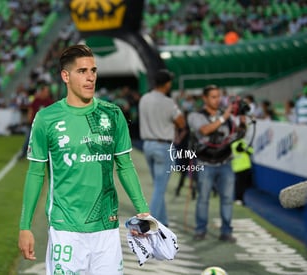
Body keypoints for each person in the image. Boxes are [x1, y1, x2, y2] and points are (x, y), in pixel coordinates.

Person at [18, 44, 150, 275]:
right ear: (65, 76)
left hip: (107, 229)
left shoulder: (113, 114)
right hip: (65, 230)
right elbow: (36, 173)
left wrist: (143, 211)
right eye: (82, 71)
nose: (90, 78)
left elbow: (125, 165)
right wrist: (25, 227)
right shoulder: (46, 119)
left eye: (93, 71)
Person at [187, 85, 246, 242]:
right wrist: (224, 118)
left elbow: (236, 135)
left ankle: (226, 232)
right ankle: (201, 230)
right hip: (205, 163)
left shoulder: (226, 115)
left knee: (227, 199)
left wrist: (242, 123)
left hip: (225, 162)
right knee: (203, 198)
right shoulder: (196, 115)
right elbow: (205, 130)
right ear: (205, 98)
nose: (217, 99)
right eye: (213, 96)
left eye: (218, 96)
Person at [138, 69, 185, 226]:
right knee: (160, 188)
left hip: (147, 145)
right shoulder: (168, 102)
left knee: (159, 186)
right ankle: (148, 223)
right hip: (163, 146)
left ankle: (163, 221)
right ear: (166, 84)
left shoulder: (144, 98)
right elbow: (181, 123)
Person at [18, 84, 54, 159]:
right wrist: (29, 119)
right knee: (28, 139)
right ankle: (23, 154)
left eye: (48, 92)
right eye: (46, 91)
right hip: (34, 123)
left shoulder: (50, 101)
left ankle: (48, 155)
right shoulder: (36, 100)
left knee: (47, 141)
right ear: (42, 91)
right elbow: (30, 109)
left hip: (45, 125)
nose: (47, 93)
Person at [231, 138, 254, 205]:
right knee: (239, 184)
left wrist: (245, 149)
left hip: (245, 167)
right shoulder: (234, 143)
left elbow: (251, 151)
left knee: (243, 185)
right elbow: (235, 151)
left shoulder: (243, 142)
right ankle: (238, 199)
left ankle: (240, 199)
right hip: (238, 167)